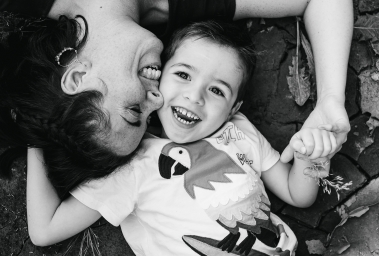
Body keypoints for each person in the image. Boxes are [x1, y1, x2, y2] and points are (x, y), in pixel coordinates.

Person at [0, 0, 352, 201]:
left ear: (78, 77)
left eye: (134, 110)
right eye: (150, 116)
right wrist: (330, 100)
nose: (157, 101)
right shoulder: (194, 2)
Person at [27, 21, 338, 255]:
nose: (195, 96)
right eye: (183, 75)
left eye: (217, 90)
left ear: (234, 108)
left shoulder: (239, 131)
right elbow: (44, 230)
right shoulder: (130, 163)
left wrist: (312, 157)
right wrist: (35, 133)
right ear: (157, 75)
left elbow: (299, 195)